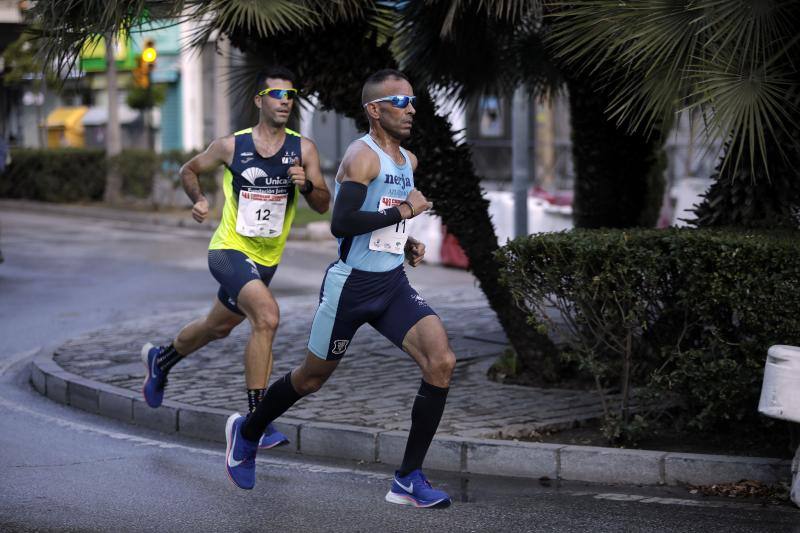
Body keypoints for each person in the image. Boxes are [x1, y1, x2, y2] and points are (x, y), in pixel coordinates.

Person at [224, 69, 456, 508]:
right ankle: (247, 431)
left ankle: (407, 477)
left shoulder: (408, 161)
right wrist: (406, 209)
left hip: (391, 284)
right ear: (375, 110)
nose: (411, 111)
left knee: (440, 361)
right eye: (400, 103)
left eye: (413, 102)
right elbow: (342, 223)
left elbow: (379, 216)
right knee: (311, 379)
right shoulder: (361, 156)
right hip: (351, 287)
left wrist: (405, 240)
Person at [141, 66, 330, 449]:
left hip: (266, 260)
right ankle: (255, 422)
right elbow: (189, 169)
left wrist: (307, 184)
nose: (284, 102)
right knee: (268, 317)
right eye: (277, 95)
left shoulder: (303, 149)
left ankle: (160, 362)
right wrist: (198, 199)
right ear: (259, 101)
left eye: (290, 95)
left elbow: (324, 203)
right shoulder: (231, 145)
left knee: (217, 327)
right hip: (228, 250)